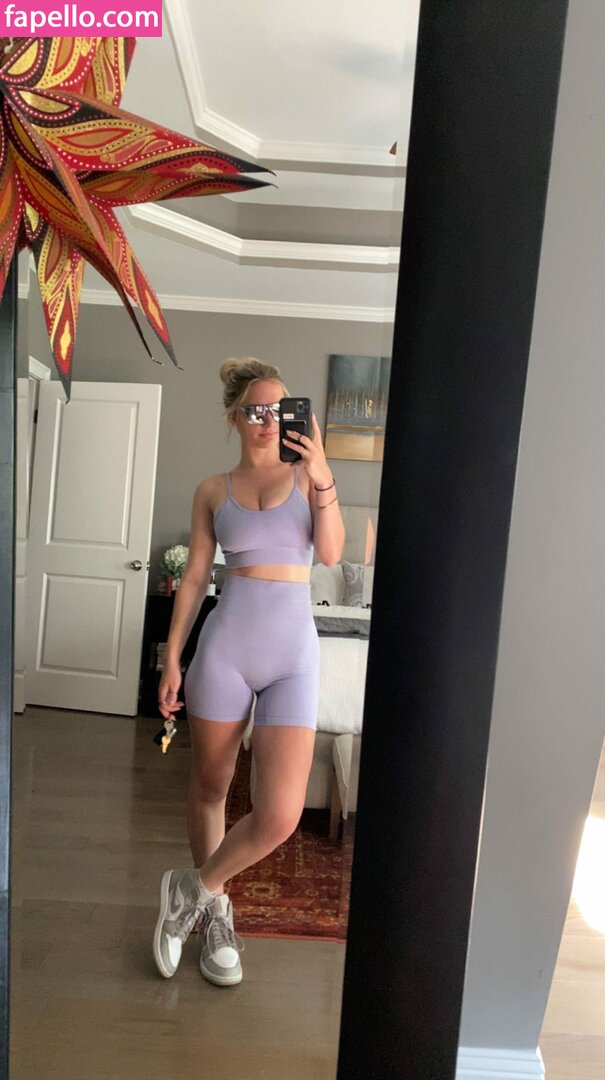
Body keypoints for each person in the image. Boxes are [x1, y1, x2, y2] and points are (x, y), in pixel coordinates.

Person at [153, 357, 345, 985]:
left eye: (280, 409)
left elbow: (332, 553)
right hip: (225, 650)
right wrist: (173, 656)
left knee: (281, 814)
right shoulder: (213, 490)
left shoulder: (310, 478)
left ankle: (194, 888)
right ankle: (217, 922)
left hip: (293, 658)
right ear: (234, 417)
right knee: (211, 787)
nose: (269, 420)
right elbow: (194, 580)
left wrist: (321, 473)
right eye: (256, 410)